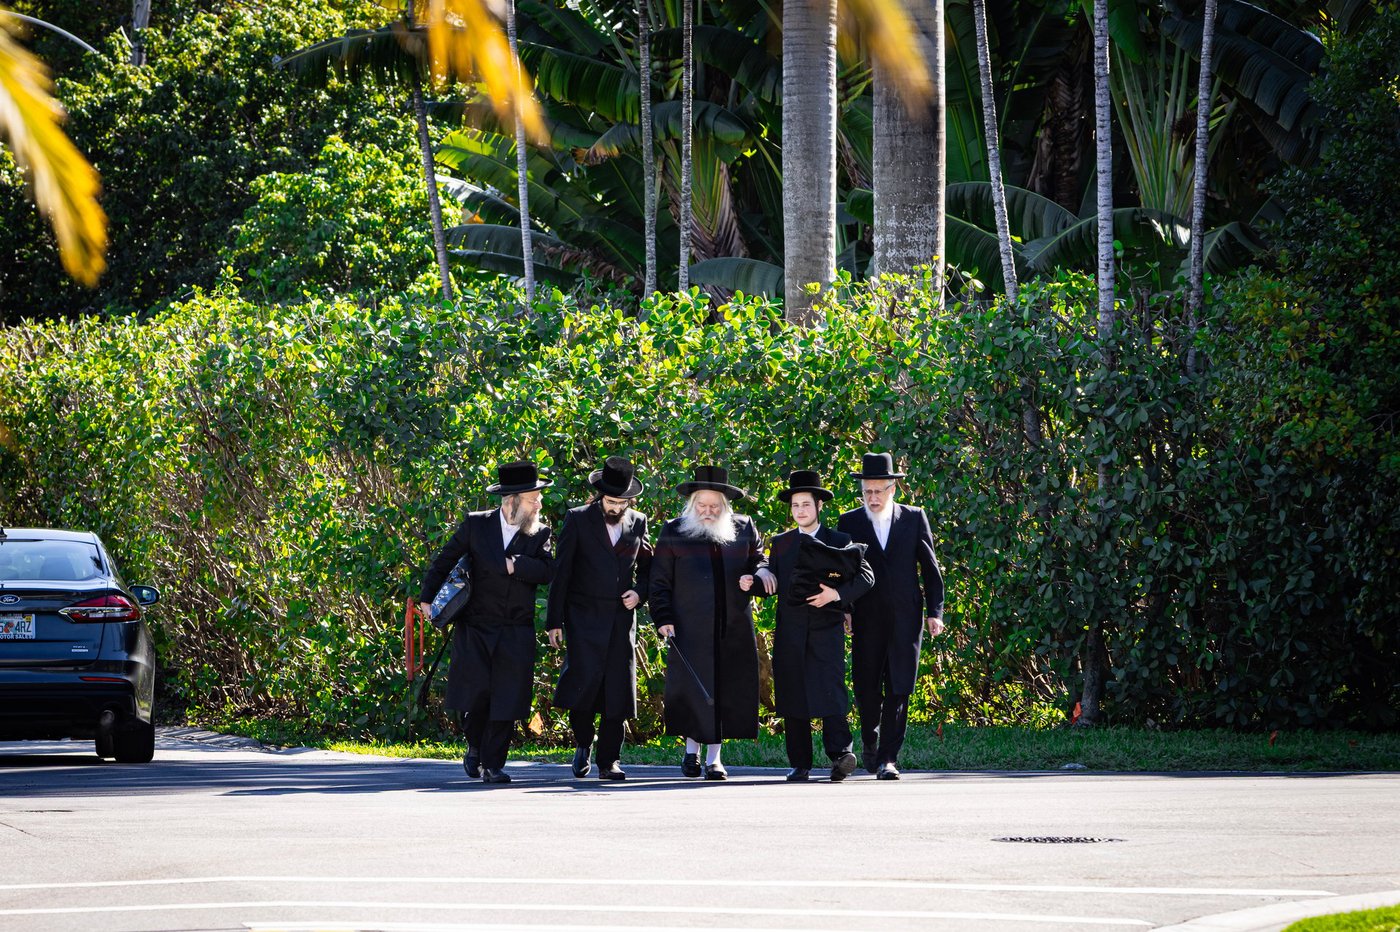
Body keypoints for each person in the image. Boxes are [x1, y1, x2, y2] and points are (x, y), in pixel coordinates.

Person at [417, 460, 556, 784]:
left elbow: (549, 571)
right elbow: (445, 559)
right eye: (534, 498)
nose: (539, 503)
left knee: (507, 698)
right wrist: (427, 599)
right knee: (475, 696)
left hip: (515, 628)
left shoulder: (540, 533)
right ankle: (475, 746)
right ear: (512, 500)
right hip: (476, 626)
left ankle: (494, 764)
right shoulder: (476, 526)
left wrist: (516, 564)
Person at [753, 470, 874, 782]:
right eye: (795, 506)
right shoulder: (780, 543)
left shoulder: (840, 540)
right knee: (792, 693)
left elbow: (866, 576)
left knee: (831, 690)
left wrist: (837, 595)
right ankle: (800, 763)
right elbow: (771, 578)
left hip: (827, 628)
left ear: (819, 505)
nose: (800, 511)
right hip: (790, 629)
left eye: (806, 504)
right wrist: (756, 577)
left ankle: (840, 755)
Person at [649, 465, 764, 780]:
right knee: (693, 692)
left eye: (715, 506)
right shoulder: (674, 531)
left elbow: (760, 562)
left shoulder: (743, 528)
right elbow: (659, 582)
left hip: (733, 627)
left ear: (725, 507)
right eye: (702, 505)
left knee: (724, 691)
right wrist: (663, 618)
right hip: (689, 628)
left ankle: (715, 760)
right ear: (692, 505)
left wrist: (755, 577)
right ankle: (690, 753)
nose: (708, 512)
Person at [836, 453, 945, 780]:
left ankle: (889, 759)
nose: (872, 498)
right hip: (866, 618)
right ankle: (870, 741)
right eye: (867, 492)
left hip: (906, 618)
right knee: (867, 688)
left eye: (878, 491)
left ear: (892, 488)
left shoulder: (914, 518)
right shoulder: (849, 522)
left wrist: (935, 612)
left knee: (900, 687)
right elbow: (843, 573)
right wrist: (845, 609)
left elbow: (930, 568)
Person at [545, 457, 653, 781]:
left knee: (617, 694)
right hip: (583, 620)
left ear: (629, 500)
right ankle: (582, 741)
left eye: (621, 502)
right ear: (599, 496)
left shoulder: (638, 522)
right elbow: (561, 573)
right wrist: (554, 621)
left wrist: (639, 593)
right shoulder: (578, 519)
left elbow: (650, 569)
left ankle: (610, 761)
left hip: (621, 622)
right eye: (610, 500)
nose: (615, 506)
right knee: (582, 689)